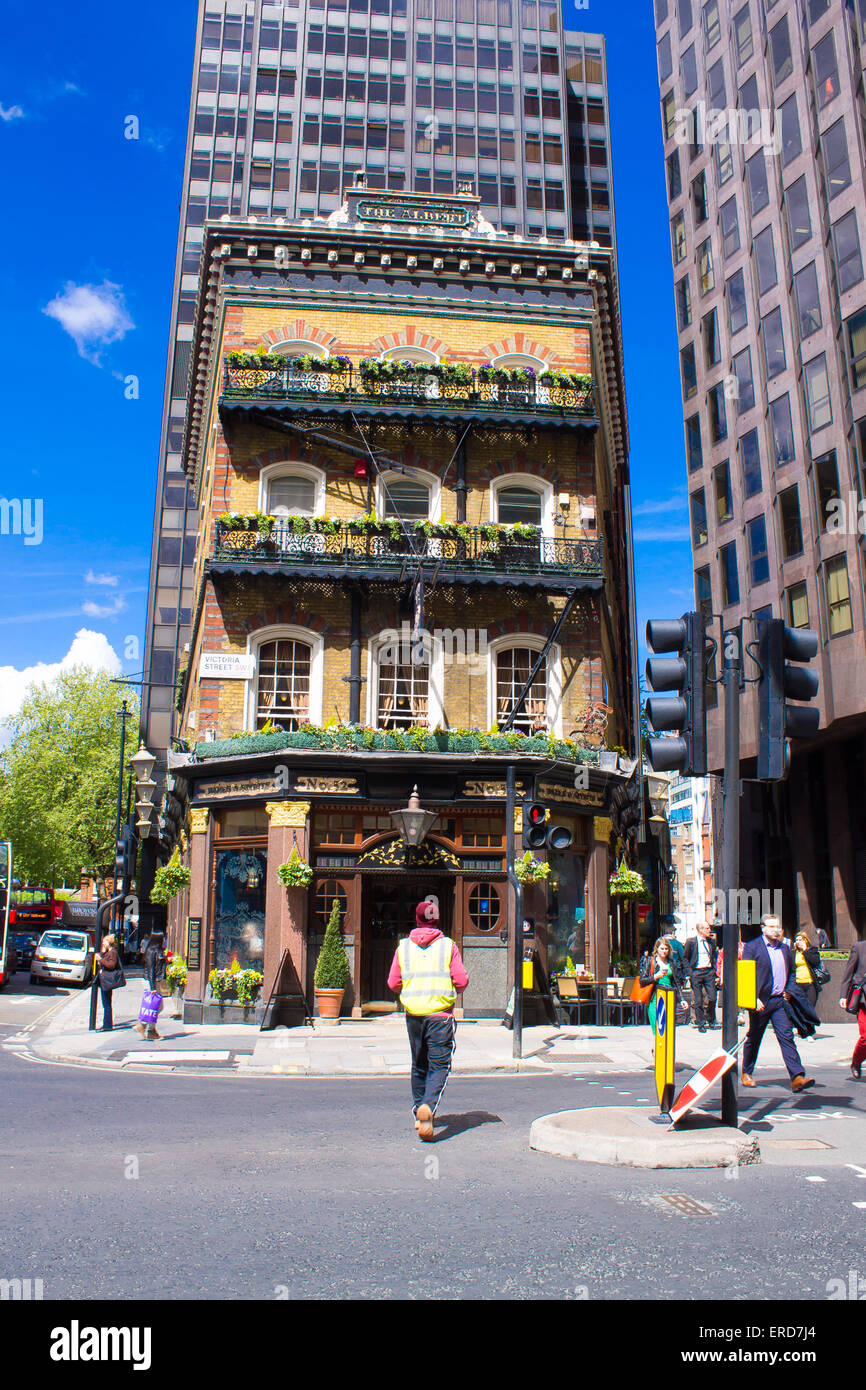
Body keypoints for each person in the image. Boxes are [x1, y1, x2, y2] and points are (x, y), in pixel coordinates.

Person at [387, 899, 469, 1142]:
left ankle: (417, 1112)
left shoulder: (403, 947)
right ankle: (428, 1107)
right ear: (436, 919)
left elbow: (393, 983)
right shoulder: (448, 947)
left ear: (418, 919)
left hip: (414, 1016)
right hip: (440, 1017)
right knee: (440, 1066)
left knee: (419, 1064)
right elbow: (461, 981)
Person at [741, 915, 815, 1093]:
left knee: (786, 1036)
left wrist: (788, 990)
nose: (776, 930)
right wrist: (753, 999)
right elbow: (745, 975)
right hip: (760, 1002)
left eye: (778, 927)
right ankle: (746, 1072)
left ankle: (797, 1076)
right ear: (763, 928)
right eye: (772, 927)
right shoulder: (752, 947)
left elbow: (791, 972)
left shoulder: (784, 948)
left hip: (779, 1001)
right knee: (754, 1037)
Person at [684, 921, 719, 1032]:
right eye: (707, 928)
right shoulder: (691, 942)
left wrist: (714, 970)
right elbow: (685, 958)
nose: (709, 930)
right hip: (696, 972)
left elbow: (714, 956)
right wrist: (690, 972)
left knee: (712, 997)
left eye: (709, 928)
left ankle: (711, 1018)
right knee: (698, 1000)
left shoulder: (711, 942)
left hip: (708, 972)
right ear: (700, 930)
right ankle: (701, 1023)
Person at [641, 937, 681, 1033]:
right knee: (658, 1029)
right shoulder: (650, 961)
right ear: (657, 949)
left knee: (668, 1029)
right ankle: (656, 1047)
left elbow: (676, 982)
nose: (664, 951)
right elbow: (642, 980)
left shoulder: (672, 963)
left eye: (666, 949)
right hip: (655, 997)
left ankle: (664, 1048)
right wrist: (655, 976)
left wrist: (682, 999)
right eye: (662, 948)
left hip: (669, 996)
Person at [840, 938, 866, 1080]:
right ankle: (856, 1061)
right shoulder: (859, 947)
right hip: (864, 999)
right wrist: (843, 995)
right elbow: (848, 972)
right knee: (865, 1037)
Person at [134, 932, 166, 1041]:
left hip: (153, 980)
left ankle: (146, 1027)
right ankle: (148, 1028)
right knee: (157, 1006)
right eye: (163, 939)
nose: (164, 941)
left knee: (155, 1006)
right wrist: (153, 987)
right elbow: (152, 969)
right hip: (151, 981)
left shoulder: (154, 950)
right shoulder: (153, 951)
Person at [793, 930, 822, 1031]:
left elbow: (815, 962)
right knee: (800, 1008)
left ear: (806, 940)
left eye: (800, 940)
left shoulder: (812, 950)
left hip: (810, 984)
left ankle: (809, 1031)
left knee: (809, 1008)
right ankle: (802, 1029)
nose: (798, 942)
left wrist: (805, 950)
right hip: (798, 984)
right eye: (796, 940)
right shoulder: (794, 953)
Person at [95, 934, 123, 1032]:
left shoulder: (112, 953)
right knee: (106, 1003)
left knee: (106, 1004)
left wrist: (101, 960)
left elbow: (111, 965)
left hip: (107, 981)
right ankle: (107, 1024)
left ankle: (107, 1025)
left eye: (104, 942)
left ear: (109, 942)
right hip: (106, 981)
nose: (103, 943)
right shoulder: (109, 952)